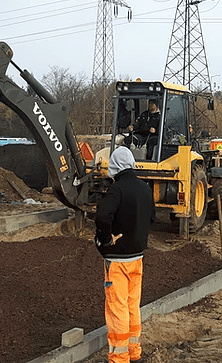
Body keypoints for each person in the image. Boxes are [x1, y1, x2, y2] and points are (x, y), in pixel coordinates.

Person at [95, 146, 156, 363]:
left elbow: (102, 216)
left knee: (117, 307)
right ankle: (134, 352)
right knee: (132, 305)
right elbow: (152, 218)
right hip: (137, 257)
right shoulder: (145, 188)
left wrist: (105, 240)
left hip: (118, 260)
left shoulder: (117, 190)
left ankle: (119, 358)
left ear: (114, 166)